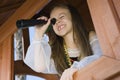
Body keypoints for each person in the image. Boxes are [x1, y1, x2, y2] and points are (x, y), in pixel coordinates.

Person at [23, 3, 102, 80]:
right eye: (53, 21)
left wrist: (76, 68)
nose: (57, 22)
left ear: (73, 17)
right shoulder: (57, 52)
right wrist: (38, 33)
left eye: (61, 17)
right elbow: (39, 66)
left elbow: (100, 56)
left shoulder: (90, 36)